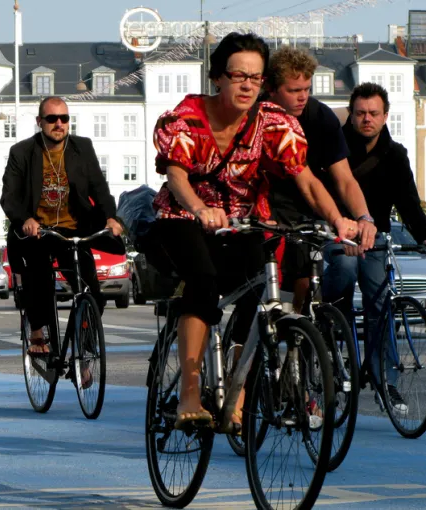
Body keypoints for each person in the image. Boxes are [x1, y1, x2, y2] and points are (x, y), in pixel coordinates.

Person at [145, 32, 357, 431]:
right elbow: (176, 175)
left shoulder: (275, 124)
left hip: (241, 221)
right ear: (217, 78)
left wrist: (339, 219)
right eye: (238, 75)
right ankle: (189, 393)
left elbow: (307, 180)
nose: (246, 84)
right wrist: (200, 208)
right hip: (182, 219)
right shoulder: (187, 117)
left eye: (255, 78)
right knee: (204, 283)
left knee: (258, 287)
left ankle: (238, 390)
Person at [0, 96, 124, 374]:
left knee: (91, 290)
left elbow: (99, 188)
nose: (59, 124)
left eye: (64, 118)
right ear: (39, 122)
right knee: (39, 277)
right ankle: (37, 332)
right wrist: (25, 220)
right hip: (38, 233)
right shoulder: (22, 152)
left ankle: (85, 346)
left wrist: (111, 217)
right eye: (52, 119)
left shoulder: (83, 147)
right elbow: (9, 196)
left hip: (73, 230)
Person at [322, 82, 426, 414]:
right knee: (344, 278)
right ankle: (332, 354)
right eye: (361, 113)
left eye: (374, 113)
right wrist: (340, 227)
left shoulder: (395, 156)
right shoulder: (334, 147)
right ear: (350, 115)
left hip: (376, 238)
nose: (367, 119)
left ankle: (387, 381)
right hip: (337, 234)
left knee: (382, 304)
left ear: (385, 116)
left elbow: (409, 205)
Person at [265, 47, 376, 313]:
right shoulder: (257, 114)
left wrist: (364, 217)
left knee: (307, 285)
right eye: (294, 90)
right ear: (271, 89)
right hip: (263, 204)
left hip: (306, 207)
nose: (303, 96)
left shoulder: (321, 117)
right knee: (258, 300)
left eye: (307, 88)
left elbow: (344, 179)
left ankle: (304, 346)